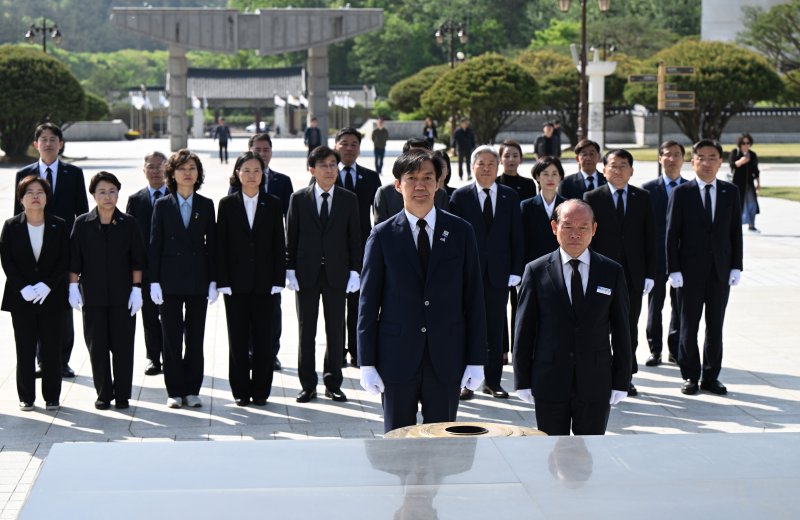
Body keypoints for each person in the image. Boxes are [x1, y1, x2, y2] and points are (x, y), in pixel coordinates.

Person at [358, 149, 487, 433]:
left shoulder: (461, 232)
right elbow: (368, 304)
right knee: (398, 441)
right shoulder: (382, 235)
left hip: (446, 356)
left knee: (441, 443)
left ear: (439, 183)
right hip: (396, 358)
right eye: (412, 178)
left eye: (428, 177)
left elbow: (474, 299)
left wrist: (477, 358)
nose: (420, 185)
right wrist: (366, 362)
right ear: (397, 184)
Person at [514, 199, 632, 435]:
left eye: (583, 227)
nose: (575, 234)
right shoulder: (536, 270)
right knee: (551, 452)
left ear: (594, 229)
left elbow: (623, 331)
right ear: (554, 227)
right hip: (549, 380)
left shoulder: (611, 272)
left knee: (589, 456)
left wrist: (621, 379)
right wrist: (522, 379)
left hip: (595, 381)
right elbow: (523, 330)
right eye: (567, 226)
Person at [667, 139, 743, 396]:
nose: (707, 163)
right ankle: (690, 375)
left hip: (720, 272)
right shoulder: (682, 193)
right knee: (689, 325)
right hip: (688, 274)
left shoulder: (730, 192)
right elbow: (671, 234)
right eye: (702, 157)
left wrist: (736, 266)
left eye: (713, 158)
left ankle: (711, 376)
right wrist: (673, 269)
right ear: (693, 162)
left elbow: (735, 233)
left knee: (715, 325)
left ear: (721, 162)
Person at [286, 146, 361, 403]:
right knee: (306, 332)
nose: (330, 170)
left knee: (336, 330)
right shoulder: (298, 199)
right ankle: (308, 384)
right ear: (312, 169)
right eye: (324, 166)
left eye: (333, 165)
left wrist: (355, 270)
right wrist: (290, 269)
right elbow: (291, 238)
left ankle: (333, 382)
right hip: (306, 275)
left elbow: (355, 239)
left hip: (337, 275)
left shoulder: (348, 199)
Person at [13, 122, 89, 379]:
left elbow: (82, 213)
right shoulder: (24, 173)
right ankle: (41, 360)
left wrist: (79, 251)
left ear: (61, 143)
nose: (48, 143)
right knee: (35, 304)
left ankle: (62, 360)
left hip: (64, 251)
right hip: (34, 251)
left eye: (53, 139)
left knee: (63, 307)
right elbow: (17, 214)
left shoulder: (73, 173)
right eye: (43, 139)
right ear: (36, 144)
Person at [449, 145, 523, 400]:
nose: (487, 168)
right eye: (481, 163)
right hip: (469, 275)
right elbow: (455, 240)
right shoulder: (460, 196)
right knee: (467, 327)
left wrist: (516, 269)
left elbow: (517, 236)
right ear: (472, 167)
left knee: (494, 329)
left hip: (499, 275)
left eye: (492, 163)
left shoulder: (509, 196)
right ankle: (465, 382)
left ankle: (493, 381)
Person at [69, 172, 146, 410]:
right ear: (93, 195)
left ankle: (122, 394)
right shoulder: (82, 223)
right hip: (92, 296)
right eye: (102, 192)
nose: (108, 196)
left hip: (123, 296)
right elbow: (74, 259)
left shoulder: (129, 223)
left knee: (123, 347)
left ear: (118, 193)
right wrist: (73, 286)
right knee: (97, 347)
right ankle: (103, 394)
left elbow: (138, 260)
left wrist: (137, 290)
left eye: (112, 191)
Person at [583, 149, 656, 397]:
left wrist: (650, 273)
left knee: (628, 327)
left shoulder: (643, 197)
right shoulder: (592, 197)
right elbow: (588, 238)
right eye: (613, 166)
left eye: (623, 166)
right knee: (600, 325)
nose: (618, 170)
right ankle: (599, 373)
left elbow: (650, 238)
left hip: (633, 276)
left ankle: (626, 376)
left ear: (632, 171)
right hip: (601, 274)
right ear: (604, 170)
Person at [149, 149, 218, 409]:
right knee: (172, 336)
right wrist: (153, 280)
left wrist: (214, 280)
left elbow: (213, 245)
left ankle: (192, 389)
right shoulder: (162, 204)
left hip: (198, 280)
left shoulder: (206, 204)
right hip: (169, 280)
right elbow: (155, 244)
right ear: (172, 174)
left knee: (195, 336)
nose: (187, 173)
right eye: (182, 168)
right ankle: (174, 390)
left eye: (192, 168)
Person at [216, 152, 286, 406]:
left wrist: (279, 278)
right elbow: (220, 245)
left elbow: (280, 242)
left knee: (264, 339)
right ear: (237, 174)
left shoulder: (274, 203)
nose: (252, 175)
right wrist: (222, 280)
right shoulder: (226, 204)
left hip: (266, 284)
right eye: (247, 170)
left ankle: (261, 391)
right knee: (237, 338)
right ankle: (240, 391)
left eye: (257, 170)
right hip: (235, 285)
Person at [1, 176, 69, 411]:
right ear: (21, 199)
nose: (35, 196)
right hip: (22, 298)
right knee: (25, 348)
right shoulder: (12, 225)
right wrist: (23, 287)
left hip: (52, 296)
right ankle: (26, 397)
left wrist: (48, 285)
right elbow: (7, 260)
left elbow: (64, 259)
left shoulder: (58, 224)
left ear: (47, 197)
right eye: (29, 192)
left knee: (52, 348)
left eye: (40, 192)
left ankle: (52, 396)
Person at [228, 133, 294, 371]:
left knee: (272, 311)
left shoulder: (282, 182)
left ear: (271, 152)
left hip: (269, 259)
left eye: (266, 149)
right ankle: (248, 349)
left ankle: (270, 352)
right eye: (257, 149)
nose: (262, 153)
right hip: (243, 262)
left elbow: (290, 220)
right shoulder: (237, 183)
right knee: (244, 313)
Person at [333, 127, 381, 367]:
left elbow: (380, 215)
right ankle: (337, 351)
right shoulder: (326, 174)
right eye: (344, 143)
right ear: (336, 146)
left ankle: (357, 350)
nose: (349, 148)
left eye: (354, 144)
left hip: (362, 250)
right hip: (332, 252)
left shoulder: (371, 177)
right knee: (334, 306)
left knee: (359, 305)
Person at [641, 141, 688, 366]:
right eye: (667, 155)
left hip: (682, 257)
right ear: (660, 159)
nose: (672, 159)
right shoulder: (647, 189)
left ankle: (675, 349)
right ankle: (655, 349)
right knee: (655, 304)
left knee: (679, 305)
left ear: (684, 159)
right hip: (656, 257)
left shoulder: (690, 189)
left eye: (677, 155)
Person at [126, 151, 168, 376]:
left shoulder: (176, 195)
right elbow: (128, 235)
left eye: (159, 166)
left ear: (167, 169)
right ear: (144, 171)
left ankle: (172, 356)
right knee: (149, 315)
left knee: (171, 316)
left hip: (171, 267)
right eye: (150, 167)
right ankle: (153, 357)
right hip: (144, 268)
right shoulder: (136, 199)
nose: (155, 171)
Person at [373, 139, 448, 225]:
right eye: (411, 178)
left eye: (427, 178)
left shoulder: (441, 195)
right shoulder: (385, 193)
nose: (420, 187)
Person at [521, 157, 566, 265]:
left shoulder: (567, 206)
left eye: (554, 174)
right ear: (537, 176)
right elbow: (521, 240)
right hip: (534, 263)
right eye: (545, 174)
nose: (550, 178)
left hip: (561, 263)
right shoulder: (526, 206)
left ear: (560, 177)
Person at [729, 133, 761, 232]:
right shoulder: (735, 152)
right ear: (739, 144)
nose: (746, 145)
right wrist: (742, 161)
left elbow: (756, 171)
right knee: (738, 205)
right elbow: (732, 165)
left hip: (749, 184)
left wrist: (758, 184)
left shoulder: (753, 154)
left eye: (748, 143)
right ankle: (735, 225)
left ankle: (752, 225)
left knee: (752, 204)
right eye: (743, 143)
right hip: (737, 183)